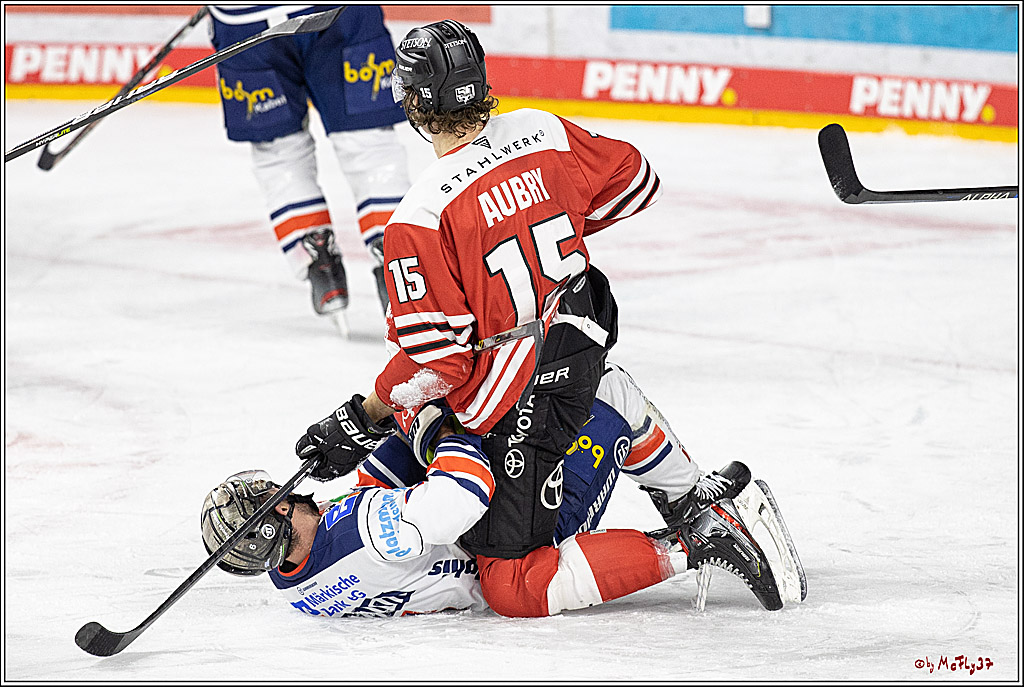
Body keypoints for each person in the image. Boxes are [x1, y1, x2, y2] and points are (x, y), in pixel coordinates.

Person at [290, 19, 671, 617]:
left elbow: (439, 366)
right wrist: (548, 224)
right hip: (578, 333)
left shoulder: (418, 216)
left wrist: (361, 416)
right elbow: (637, 181)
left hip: (520, 389)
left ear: (413, 102)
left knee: (509, 576)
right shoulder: (541, 131)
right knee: (421, 433)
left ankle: (692, 543)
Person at [202, 364, 792, 618]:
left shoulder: (299, 580)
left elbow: (385, 496)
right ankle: (696, 528)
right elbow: (466, 488)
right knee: (598, 395)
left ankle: (690, 505)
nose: (276, 487)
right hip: (516, 530)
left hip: (488, 535)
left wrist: (371, 435)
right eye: (265, 495)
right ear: (277, 513)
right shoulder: (373, 538)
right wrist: (416, 417)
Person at [208, 5, 411, 322]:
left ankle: (318, 260)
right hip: (340, 13)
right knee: (369, 141)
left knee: (278, 148)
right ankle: (398, 261)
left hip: (245, 20)